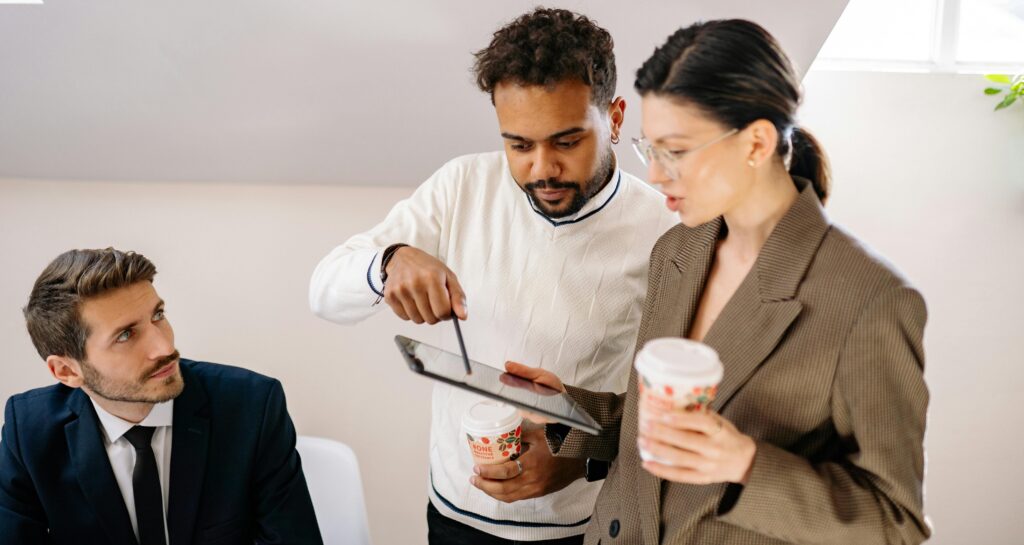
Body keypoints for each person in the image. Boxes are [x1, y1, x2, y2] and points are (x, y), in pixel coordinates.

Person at [507, 19, 931, 545]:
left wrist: (747, 463)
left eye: (676, 151)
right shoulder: (679, 249)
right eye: (650, 149)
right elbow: (662, 421)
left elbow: (896, 522)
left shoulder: (870, 300)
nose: (656, 175)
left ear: (755, 143)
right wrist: (568, 409)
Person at [308, 7, 676, 544]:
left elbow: (679, 405)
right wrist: (387, 262)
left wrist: (582, 463)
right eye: (519, 145)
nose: (541, 169)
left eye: (567, 142)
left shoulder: (666, 228)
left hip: (590, 523)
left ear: (615, 118)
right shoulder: (461, 186)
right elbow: (323, 291)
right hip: (456, 514)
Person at [0, 248, 323, 545]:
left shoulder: (252, 406)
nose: (165, 348)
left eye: (158, 316)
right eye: (126, 335)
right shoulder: (29, 430)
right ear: (67, 371)